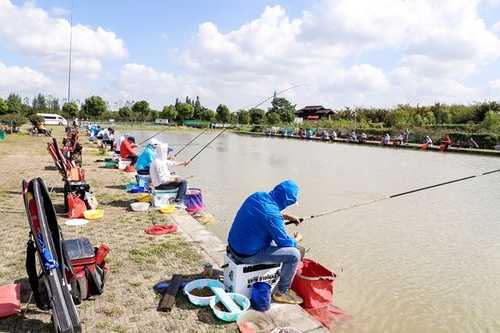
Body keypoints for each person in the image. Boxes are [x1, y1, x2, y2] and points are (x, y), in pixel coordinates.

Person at [227, 180, 304, 305]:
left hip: (233, 246)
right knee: (295, 254)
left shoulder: (257, 196)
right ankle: (282, 292)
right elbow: (285, 243)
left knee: (273, 239)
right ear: (287, 201)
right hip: (246, 255)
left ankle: (281, 280)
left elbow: (266, 212)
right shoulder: (272, 215)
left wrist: (284, 216)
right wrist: (297, 239)